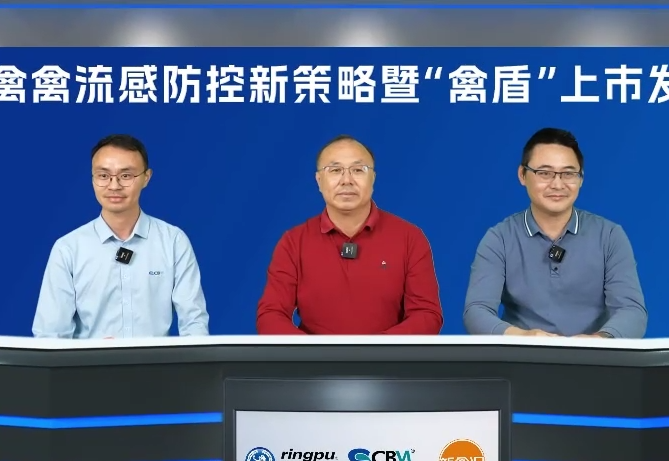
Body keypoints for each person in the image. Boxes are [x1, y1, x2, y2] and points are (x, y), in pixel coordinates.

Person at [463, 127, 647, 338]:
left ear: (581, 178)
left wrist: (598, 341)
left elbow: (632, 311)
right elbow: (476, 311)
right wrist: (523, 337)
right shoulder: (499, 239)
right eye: (544, 173)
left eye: (568, 173)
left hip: (595, 355)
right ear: (522, 175)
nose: (557, 184)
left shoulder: (610, 236)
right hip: (521, 354)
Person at [256, 135, 442, 335]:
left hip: (387, 355)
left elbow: (427, 314)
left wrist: (376, 349)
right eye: (335, 170)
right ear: (319, 180)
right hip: (313, 356)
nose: (347, 180)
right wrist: (314, 351)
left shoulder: (410, 238)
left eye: (358, 170)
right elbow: (270, 315)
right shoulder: (294, 242)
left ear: (373, 178)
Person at [32, 134, 209, 338]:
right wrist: (92, 352)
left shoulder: (173, 241)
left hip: (157, 360)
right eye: (103, 175)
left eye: (126, 176)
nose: (114, 186)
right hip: (88, 360)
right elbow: (51, 335)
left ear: (146, 177)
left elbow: (195, 323)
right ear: (92, 178)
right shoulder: (68, 249)